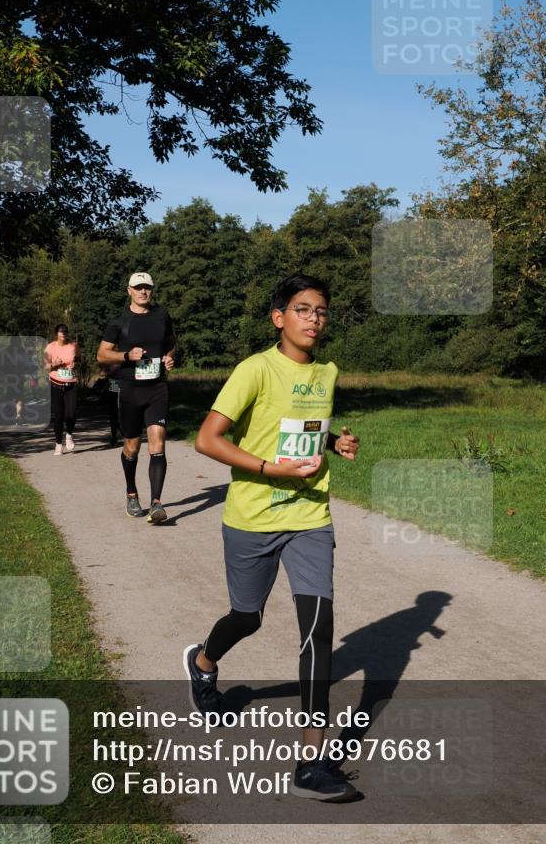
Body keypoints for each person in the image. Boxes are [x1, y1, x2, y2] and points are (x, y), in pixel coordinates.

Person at [184, 273, 360, 803]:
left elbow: (302, 424)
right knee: (248, 617)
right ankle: (203, 662)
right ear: (278, 317)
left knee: (318, 630)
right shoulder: (254, 369)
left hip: (310, 516)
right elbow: (207, 439)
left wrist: (336, 439)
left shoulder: (327, 371)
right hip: (253, 517)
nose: (314, 319)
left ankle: (312, 759)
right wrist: (268, 468)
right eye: (303, 310)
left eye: (322, 311)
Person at [97, 272, 176, 521]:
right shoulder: (118, 322)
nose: (143, 291)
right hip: (130, 389)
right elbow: (101, 355)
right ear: (129, 290)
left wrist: (170, 356)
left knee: (158, 441)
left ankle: (156, 504)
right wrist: (125, 356)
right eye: (138, 287)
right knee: (132, 446)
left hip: (156, 388)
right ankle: (131, 493)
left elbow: (171, 342)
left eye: (147, 287)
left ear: (152, 290)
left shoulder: (162, 316)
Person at [44, 325, 80, 454]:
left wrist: (76, 363)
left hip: (71, 384)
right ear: (56, 333)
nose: (63, 333)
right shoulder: (50, 347)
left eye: (65, 331)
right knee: (58, 417)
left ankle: (69, 434)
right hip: (56, 384)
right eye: (61, 331)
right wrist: (55, 364)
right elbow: (45, 366)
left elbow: (79, 358)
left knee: (72, 414)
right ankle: (58, 444)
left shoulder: (73, 346)